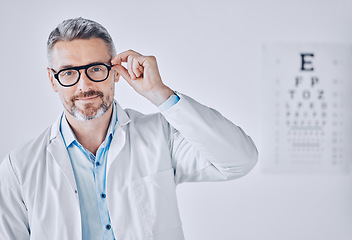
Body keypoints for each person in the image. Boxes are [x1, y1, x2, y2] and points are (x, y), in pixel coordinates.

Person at [0, 17, 258, 240]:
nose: (84, 85)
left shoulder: (160, 136)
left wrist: (160, 95)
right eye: (68, 73)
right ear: (52, 80)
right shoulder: (20, 166)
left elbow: (239, 160)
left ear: (115, 72)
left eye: (96, 69)